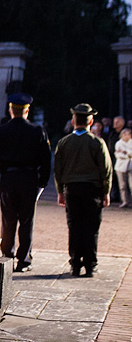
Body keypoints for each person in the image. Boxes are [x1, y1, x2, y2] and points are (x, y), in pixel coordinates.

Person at [0, 93, 52, 272]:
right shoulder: (38, 131)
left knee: (8, 221)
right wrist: (42, 183)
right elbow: (46, 160)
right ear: (27, 110)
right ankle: (23, 259)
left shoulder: (0, 131)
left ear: (10, 110)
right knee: (26, 221)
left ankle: (7, 256)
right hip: (29, 179)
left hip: (8, 179)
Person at [54, 103, 113, 277]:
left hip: (71, 188)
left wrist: (60, 191)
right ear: (91, 121)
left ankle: (75, 264)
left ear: (73, 121)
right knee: (91, 227)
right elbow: (105, 169)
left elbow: (58, 170)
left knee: (74, 226)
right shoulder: (97, 142)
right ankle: (90, 264)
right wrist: (106, 191)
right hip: (92, 189)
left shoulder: (64, 142)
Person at [114, 127, 132, 208]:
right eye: (124, 134)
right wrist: (127, 154)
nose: (126, 136)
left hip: (130, 166)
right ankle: (125, 201)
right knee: (122, 185)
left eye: (128, 134)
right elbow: (118, 154)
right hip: (120, 166)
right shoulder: (118, 143)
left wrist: (125, 152)